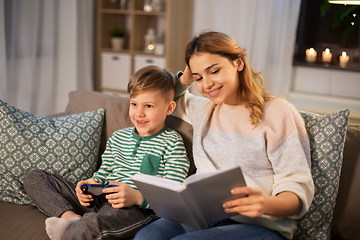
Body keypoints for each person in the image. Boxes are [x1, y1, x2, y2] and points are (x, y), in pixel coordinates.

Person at [134, 31, 314, 240]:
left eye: (214, 71)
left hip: (263, 227)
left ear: (238, 63)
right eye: (199, 77)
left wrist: (266, 203)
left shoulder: (277, 111)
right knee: (146, 237)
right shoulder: (203, 109)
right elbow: (164, 99)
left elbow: (296, 186)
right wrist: (185, 78)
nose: (207, 84)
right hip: (205, 217)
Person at [23, 65, 190, 240]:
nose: (139, 113)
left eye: (148, 106)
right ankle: (70, 218)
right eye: (134, 104)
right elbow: (104, 172)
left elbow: (173, 194)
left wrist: (139, 198)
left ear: (169, 109)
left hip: (136, 209)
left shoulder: (172, 143)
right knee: (35, 177)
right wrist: (90, 183)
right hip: (102, 196)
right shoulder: (118, 137)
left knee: (91, 225)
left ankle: (78, 227)